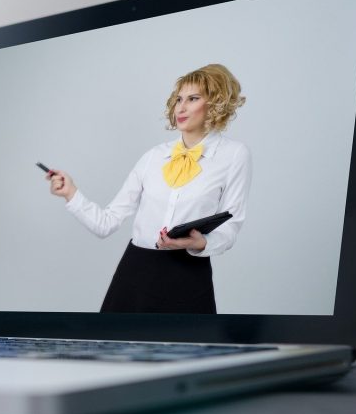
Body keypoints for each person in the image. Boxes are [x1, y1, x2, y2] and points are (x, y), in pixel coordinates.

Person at [46, 64, 252, 314]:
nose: (181, 107)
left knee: (190, 352)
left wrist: (202, 243)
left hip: (189, 276)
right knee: (115, 351)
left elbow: (231, 225)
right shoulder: (153, 157)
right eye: (178, 99)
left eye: (193, 99)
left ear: (215, 103)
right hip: (136, 275)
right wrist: (70, 193)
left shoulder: (234, 155)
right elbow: (106, 223)